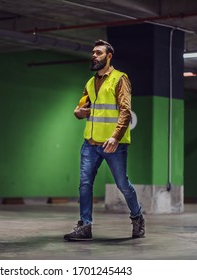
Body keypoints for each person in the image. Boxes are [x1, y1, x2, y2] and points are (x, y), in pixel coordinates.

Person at [64, 39, 145, 241]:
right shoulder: (90, 83)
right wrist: (77, 112)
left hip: (113, 144)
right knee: (84, 184)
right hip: (90, 143)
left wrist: (115, 137)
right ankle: (85, 226)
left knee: (122, 184)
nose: (94, 56)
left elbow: (125, 112)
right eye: (93, 52)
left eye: (99, 53)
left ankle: (137, 217)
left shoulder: (120, 79)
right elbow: (81, 107)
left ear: (109, 56)